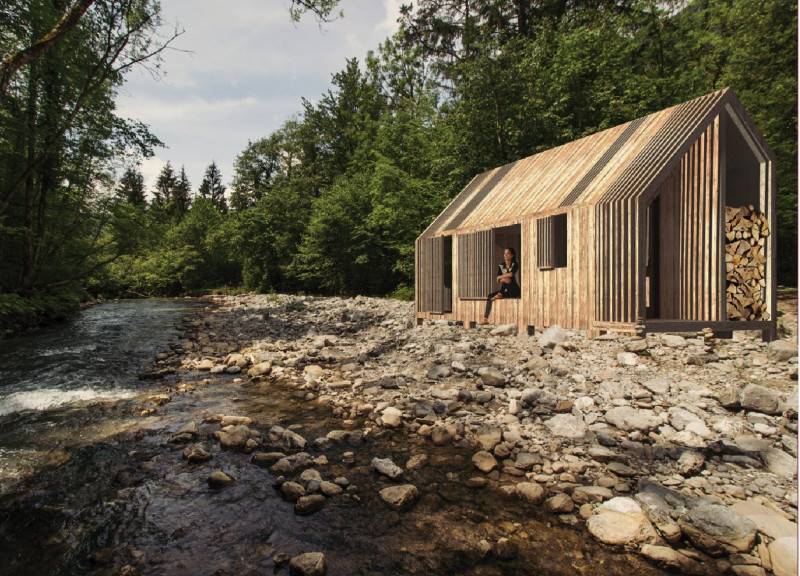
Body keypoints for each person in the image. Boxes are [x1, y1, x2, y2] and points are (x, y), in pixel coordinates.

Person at [480, 247, 519, 325]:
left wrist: (502, 277)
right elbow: (497, 279)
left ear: (512, 255)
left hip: (514, 290)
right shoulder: (501, 265)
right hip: (505, 290)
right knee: (490, 295)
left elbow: (511, 274)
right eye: (505, 253)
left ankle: (500, 294)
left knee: (508, 279)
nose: (505, 255)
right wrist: (503, 279)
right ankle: (485, 318)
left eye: (508, 254)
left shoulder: (515, 263)